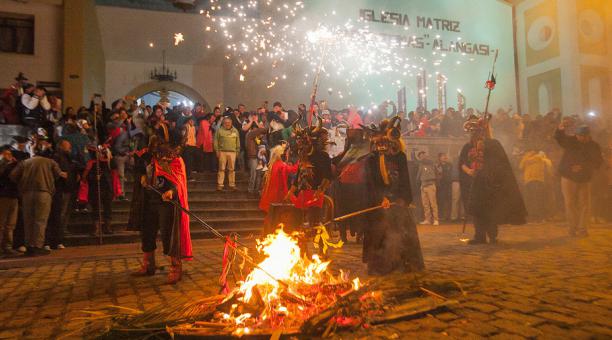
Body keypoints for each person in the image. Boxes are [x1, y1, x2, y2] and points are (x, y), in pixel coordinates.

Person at [362, 116, 424, 275]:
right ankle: (380, 266)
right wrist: (380, 198)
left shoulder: (400, 157)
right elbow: (371, 183)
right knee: (380, 232)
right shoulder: (371, 159)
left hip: (398, 203)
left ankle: (405, 264)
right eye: (380, 142)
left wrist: (403, 199)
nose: (383, 146)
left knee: (401, 232)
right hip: (379, 206)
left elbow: (405, 180)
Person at [458, 115, 526, 244]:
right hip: (475, 182)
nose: (473, 134)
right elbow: (462, 162)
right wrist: (469, 171)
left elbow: (499, 162)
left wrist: (485, 149)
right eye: (472, 132)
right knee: (477, 210)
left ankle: (492, 235)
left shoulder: (493, 144)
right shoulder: (467, 147)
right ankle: (479, 236)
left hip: (489, 183)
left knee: (490, 210)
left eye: (476, 131)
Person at [134, 141, 192, 284]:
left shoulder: (175, 160)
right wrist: (142, 177)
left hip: (166, 204)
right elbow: (140, 168)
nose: (158, 155)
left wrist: (172, 192)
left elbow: (179, 182)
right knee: (147, 233)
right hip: (150, 200)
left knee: (168, 235)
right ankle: (148, 265)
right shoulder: (150, 159)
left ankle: (175, 267)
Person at [10, 143, 67, 256]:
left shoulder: (25, 162)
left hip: (27, 193)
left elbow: (13, 176)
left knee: (28, 220)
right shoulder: (50, 162)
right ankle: (37, 245)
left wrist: (22, 182)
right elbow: (59, 175)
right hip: (44, 192)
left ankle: (29, 245)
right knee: (40, 220)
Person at [554, 123, 603, 237]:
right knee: (570, 203)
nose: (580, 138)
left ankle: (582, 228)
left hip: (584, 178)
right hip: (568, 176)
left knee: (585, 204)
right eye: (579, 135)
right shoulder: (571, 141)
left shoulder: (594, 146)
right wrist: (560, 129)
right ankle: (572, 227)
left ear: (588, 136)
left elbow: (598, 162)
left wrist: (583, 167)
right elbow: (560, 139)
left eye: (583, 136)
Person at [46, 140, 78, 249]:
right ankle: (53, 240)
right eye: (67, 146)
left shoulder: (69, 158)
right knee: (57, 215)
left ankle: (59, 238)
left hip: (68, 188)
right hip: (60, 188)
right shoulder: (57, 157)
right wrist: (61, 175)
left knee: (63, 215)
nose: (69, 148)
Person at [83, 145, 114, 236]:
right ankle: (96, 228)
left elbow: (113, 169)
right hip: (96, 189)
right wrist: (94, 177)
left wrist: (108, 155)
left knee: (108, 208)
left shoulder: (108, 162)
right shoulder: (92, 163)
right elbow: (85, 177)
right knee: (96, 208)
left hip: (107, 188)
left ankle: (107, 227)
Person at [519, 148, 553, 222]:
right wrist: (526, 156)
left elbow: (547, 164)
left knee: (538, 199)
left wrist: (527, 156)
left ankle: (539, 216)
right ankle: (534, 216)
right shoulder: (527, 158)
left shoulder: (541, 156)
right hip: (529, 181)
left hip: (538, 180)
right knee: (532, 199)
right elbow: (521, 166)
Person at [0, 147, 20, 255]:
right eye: (6, 154)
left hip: (13, 195)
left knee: (11, 224)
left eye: (10, 154)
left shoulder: (13, 166)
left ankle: (8, 246)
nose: (9, 156)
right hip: (3, 196)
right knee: (2, 223)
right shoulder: (3, 165)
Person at [214, 117, 240, 191]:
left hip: (233, 152)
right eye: (226, 122)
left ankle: (232, 184)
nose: (227, 124)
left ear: (231, 123)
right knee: (221, 169)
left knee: (232, 169)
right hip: (222, 152)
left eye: (229, 122)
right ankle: (220, 185)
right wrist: (217, 150)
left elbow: (238, 141)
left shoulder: (235, 131)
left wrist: (237, 150)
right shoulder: (219, 130)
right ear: (223, 123)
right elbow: (215, 141)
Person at [416, 151, 439, 226]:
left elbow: (427, 161)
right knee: (425, 204)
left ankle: (436, 219)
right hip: (423, 185)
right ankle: (428, 219)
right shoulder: (420, 164)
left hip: (430, 185)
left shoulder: (431, 162)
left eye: (423, 155)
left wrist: (423, 158)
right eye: (420, 156)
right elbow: (419, 175)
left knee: (433, 203)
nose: (422, 157)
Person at [245, 122, 267, 196]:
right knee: (253, 174)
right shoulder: (249, 136)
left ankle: (257, 190)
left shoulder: (261, 140)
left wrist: (264, 152)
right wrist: (260, 127)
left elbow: (265, 150)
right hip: (253, 157)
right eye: (255, 130)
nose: (257, 132)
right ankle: (250, 190)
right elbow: (259, 131)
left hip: (259, 158)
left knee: (259, 174)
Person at [436, 153, 453, 222]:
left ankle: (448, 216)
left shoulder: (449, 165)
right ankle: (441, 215)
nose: (444, 157)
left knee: (449, 200)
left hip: (448, 184)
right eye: (443, 156)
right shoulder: (437, 165)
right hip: (441, 185)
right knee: (441, 200)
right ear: (439, 158)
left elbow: (451, 173)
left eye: (445, 156)